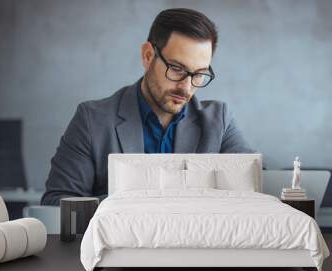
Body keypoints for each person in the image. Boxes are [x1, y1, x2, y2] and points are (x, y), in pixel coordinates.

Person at [41, 8, 254, 205]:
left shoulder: (220, 121)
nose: (186, 88)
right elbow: (57, 204)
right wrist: (143, 204)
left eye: (198, 74)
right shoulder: (92, 120)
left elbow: (251, 194)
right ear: (148, 55)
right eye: (177, 69)